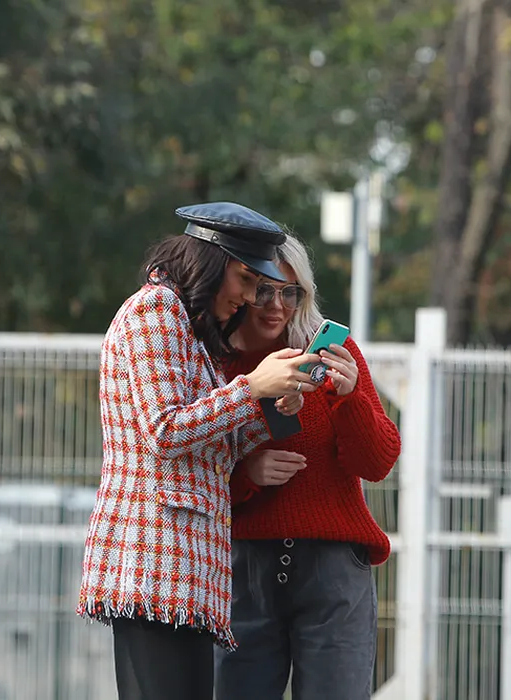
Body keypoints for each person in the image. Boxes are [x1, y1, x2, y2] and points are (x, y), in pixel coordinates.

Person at [77, 203, 321, 700]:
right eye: (246, 278)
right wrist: (251, 387)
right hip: (152, 565)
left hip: (184, 575)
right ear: (210, 261)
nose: (249, 297)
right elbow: (165, 431)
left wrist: (275, 406)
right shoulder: (156, 310)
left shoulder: (189, 327)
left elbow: (211, 448)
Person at [214, 231, 402, 700]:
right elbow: (190, 464)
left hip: (333, 570)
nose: (277, 305)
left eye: (291, 292)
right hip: (244, 569)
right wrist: (247, 473)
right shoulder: (216, 360)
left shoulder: (332, 353)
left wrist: (350, 397)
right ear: (241, 288)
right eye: (264, 290)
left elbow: (378, 462)